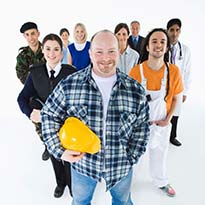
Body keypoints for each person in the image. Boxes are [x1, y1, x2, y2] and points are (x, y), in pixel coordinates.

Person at [41, 29, 150, 205]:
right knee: (81, 201)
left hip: (121, 166)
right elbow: (49, 115)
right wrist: (59, 150)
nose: (105, 58)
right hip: (83, 166)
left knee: (122, 202)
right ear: (90, 53)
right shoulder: (70, 84)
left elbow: (142, 127)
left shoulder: (135, 90)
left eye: (111, 51)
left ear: (119, 52)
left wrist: (131, 157)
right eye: (99, 51)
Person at [17, 33, 76, 198]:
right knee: (54, 154)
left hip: (67, 124)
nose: (52, 53)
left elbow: (78, 100)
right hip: (47, 126)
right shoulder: (35, 73)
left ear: (62, 52)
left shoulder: (71, 72)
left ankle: (72, 184)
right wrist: (30, 114)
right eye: (48, 49)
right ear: (43, 50)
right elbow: (21, 98)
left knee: (69, 154)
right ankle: (60, 183)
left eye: (56, 49)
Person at [129, 28, 183, 197]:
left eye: (162, 42)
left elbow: (175, 98)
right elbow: (129, 101)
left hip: (162, 123)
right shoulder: (136, 71)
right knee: (135, 158)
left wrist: (168, 120)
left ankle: (161, 181)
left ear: (167, 48)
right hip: (140, 125)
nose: (158, 45)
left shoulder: (173, 71)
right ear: (147, 47)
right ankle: (126, 184)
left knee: (160, 154)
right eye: (154, 41)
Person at [15, 22, 48, 160]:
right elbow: (21, 74)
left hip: (49, 89)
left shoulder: (48, 48)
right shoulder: (22, 56)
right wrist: (34, 82)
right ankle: (47, 144)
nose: (31, 37)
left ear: (38, 33)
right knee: (37, 120)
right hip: (33, 93)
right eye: (27, 35)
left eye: (33, 33)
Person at [166, 18, 192, 146]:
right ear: (167, 31)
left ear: (180, 31)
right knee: (162, 112)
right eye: (172, 30)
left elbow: (187, 72)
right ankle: (160, 137)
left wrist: (185, 91)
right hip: (164, 86)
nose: (174, 33)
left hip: (178, 87)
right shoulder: (162, 47)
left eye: (177, 30)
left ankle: (172, 136)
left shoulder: (185, 50)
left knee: (175, 113)